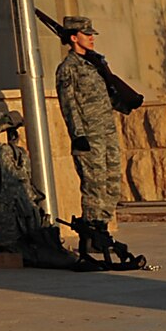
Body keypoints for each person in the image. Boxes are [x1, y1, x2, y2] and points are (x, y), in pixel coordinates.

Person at [56, 16, 128, 262]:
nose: (92, 38)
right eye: (87, 35)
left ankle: (103, 232)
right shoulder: (69, 69)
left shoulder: (96, 64)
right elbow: (69, 105)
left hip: (106, 133)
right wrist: (78, 136)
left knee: (111, 183)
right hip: (88, 137)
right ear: (74, 38)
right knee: (93, 186)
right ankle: (92, 237)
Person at [0, 110, 80, 268]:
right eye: (8, 131)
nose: (13, 136)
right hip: (8, 236)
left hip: (26, 231)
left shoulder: (18, 156)